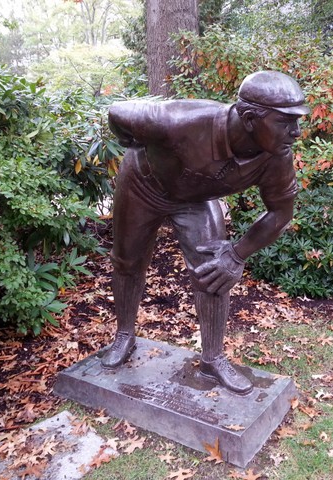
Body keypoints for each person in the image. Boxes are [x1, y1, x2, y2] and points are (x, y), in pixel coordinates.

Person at [102, 70, 309, 395]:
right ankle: (124, 336)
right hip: (143, 185)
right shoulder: (180, 121)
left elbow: (281, 212)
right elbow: (118, 113)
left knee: (214, 269)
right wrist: (133, 142)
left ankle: (212, 359)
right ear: (251, 118)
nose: (296, 132)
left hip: (195, 200)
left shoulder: (276, 157)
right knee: (127, 261)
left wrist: (236, 254)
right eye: (285, 122)